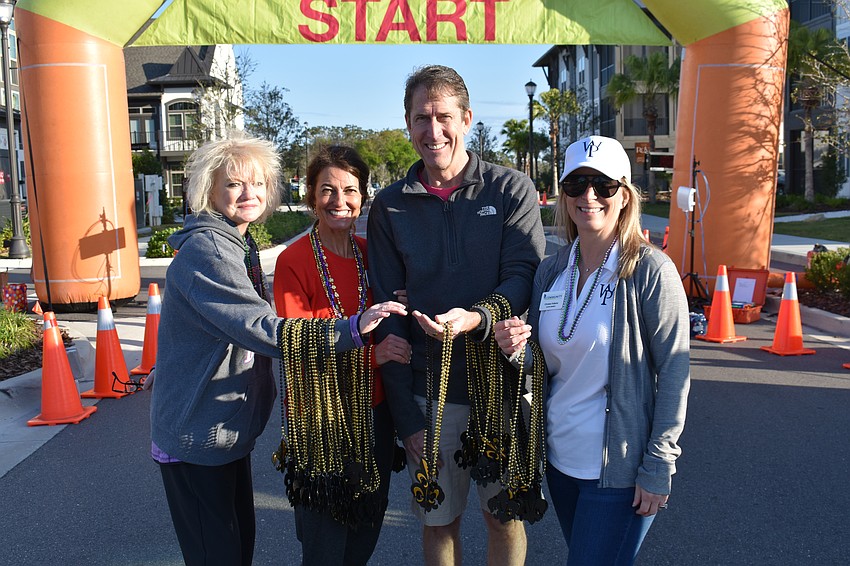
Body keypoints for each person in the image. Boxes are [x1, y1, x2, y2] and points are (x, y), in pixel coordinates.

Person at [149, 134, 407, 566]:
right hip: (202, 431)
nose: (247, 194)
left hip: (227, 430)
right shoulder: (211, 248)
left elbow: (203, 327)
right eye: (233, 184)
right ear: (208, 189)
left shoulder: (237, 242)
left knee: (237, 551)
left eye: (257, 184)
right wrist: (357, 333)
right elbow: (262, 328)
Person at [367, 65, 546, 565]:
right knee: (438, 520)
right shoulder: (389, 206)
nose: (433, 130)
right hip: (431, 395)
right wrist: (406, 418)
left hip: (499, 388)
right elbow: (388, 314)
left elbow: (522, 276)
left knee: (502, 517)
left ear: (466, 119)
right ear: (407, 125)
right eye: (421, 118)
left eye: (443, 116)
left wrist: (476, 317)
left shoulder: (510, 190)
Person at [494, 135, 691, 565]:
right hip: (561, 463)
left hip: (617, 471)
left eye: (603, 186)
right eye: (576, 184)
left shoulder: (650, 272)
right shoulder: (551, 270)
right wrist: (514, 349)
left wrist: (659, 463)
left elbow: (675, 373)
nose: (589, 197)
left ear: (624, 195)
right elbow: (548, 364)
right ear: (563, 195)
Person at [273, 145, 411, 565]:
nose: (339, 201)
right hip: (322, 419)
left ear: (364, 196)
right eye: (327, 190)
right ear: (311, 196)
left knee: (365, 531)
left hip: (374, 414)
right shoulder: (293, 260)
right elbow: (297, 347)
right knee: (325, 546)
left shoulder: (372, 254)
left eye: (350, 190)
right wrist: (374, 356)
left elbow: (394, 312)